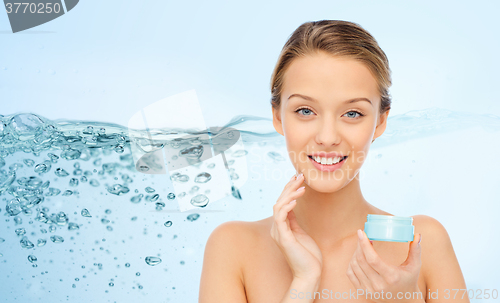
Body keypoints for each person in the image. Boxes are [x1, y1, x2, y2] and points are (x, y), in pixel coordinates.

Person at [199, 20, 468, 303]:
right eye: (305, 110)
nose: (327, 137)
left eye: (352, 113)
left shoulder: (422, 242)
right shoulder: (233, 247)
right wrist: (303, 283)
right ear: (278, 117)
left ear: (380, 121)